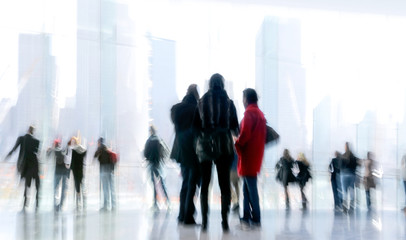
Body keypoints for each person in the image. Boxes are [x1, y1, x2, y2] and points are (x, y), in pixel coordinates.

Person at [193, 73, 239, 231]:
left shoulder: (201, 102)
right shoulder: (229, 103)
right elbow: (235, 128)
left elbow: (195, 127)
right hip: (224, 146)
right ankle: (224, 221)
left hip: (205, 146)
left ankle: (205, 221)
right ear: (222, 84)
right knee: (224, 184)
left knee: (205, 184)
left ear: (210, 84)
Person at [235, 88, 266, 230]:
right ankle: (246, 216)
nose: (242, 101)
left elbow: (245, 135)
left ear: (246, 99)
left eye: (243, 98)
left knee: (250, 188)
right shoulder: (260, 114)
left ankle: (256, 217)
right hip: (256, 155)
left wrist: (236, 141)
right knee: (247, 188)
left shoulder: (249, 114)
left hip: (248, 156)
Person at [170, 84, 200, 224]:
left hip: (180, 150)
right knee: (191, 183)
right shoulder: (196, 110)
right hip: (192, 150)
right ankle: (188, 216)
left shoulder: (177, 109)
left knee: (185, 183)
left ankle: (182, 214)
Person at [5, 126, 40, 212]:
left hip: (25, 165)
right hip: (34, 165)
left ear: (28, 130)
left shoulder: (21, 138)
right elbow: (37, 153)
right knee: (36, 184)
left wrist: (6, 157)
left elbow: (14, 149)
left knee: (26, 185)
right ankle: (37, 203)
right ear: (33, 132)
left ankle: (25, 204)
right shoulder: (36, 141)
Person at [144, 126, 171, 211]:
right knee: (162, 184)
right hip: (159, 164)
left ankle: (155, 203)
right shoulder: (160, 140)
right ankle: (168, 203)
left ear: (150, 131)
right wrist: (162, 159)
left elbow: (145, 154)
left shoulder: (149, 141)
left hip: (151, 164)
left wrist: (149, 158)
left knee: (153, 184)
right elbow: (166, 152)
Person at [47, 139, 69, 212]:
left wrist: (50, 149)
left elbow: (47, 156)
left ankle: (55, 205)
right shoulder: (64, 150)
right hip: (64, 172)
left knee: (55, 189)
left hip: (57, 172)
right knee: (63, 189)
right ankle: (61, 205)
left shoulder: (54, 151)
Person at [94, 137, 116, 211]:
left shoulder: (100, 148)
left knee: (105, 188)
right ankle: (114, 206)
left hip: (104, 170)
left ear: (99, 142)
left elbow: (95, 155)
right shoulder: (108, 149)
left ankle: (106, 205)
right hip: (110, 170)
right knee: (112, 188)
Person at [67, 136, 87, 211]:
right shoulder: (82, 150)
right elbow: (85, 154)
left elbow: (72, 162)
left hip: (75, 171)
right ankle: (84, 202)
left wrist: (70, 170)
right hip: (81, 170)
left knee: (77, 186)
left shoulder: (73, 150)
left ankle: (78, 203)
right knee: (83, 185)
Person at [340, 142, 359, 213]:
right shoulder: (353, 156)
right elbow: (356, 165)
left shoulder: (343, 156)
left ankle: (344, 207)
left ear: (345, 147)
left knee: (344, 191)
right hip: (352, 174)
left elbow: (340, 166)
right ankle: (351, 207)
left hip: (344, 174)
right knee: (351, 191)